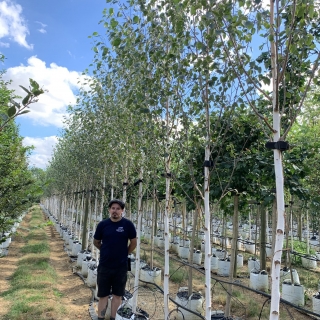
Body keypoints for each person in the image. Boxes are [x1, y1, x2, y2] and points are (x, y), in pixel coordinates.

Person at [93, 199, 137, 320]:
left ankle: (114, 317)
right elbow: (96, 242)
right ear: (109, 210)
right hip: (105, 265)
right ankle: (100, 317)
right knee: (103, 295)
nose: (115, 211)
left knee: (118, 295)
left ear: (122, 211)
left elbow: (133, 242)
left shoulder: (128, 225)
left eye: (118, 209)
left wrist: (124, 253)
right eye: (113, 208)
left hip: (121, 266)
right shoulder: (103, 224)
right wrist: (105, 250)